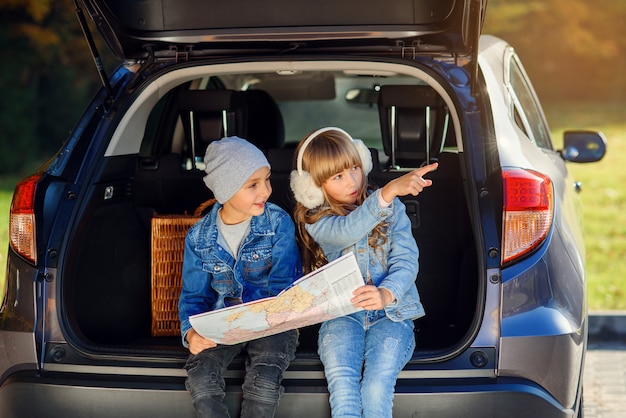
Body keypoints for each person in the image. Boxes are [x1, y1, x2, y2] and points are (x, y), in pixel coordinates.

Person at [289, 127, 438, 418]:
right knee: (344, 390)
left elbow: (407, 260)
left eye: (355, 168)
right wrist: (387, 192)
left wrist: (387, 292)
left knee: (375, 388)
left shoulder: (391, 208)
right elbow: (349, 229)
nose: (352, 181)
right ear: (313, 187)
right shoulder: (317, 221)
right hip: (343, 317)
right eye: (338, 177)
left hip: (392, 316)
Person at [179, 136, 302, 418]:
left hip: (273, 322)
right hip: (223, 322)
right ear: (225, 190)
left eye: (267, 180)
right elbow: (195, 296)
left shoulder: (277, 223)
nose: (266, 191)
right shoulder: (199, 238)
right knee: (201, 380)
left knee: (263, 383)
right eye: (253, 185)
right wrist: (191, 332)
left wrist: (278, 317)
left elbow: (285, 286)